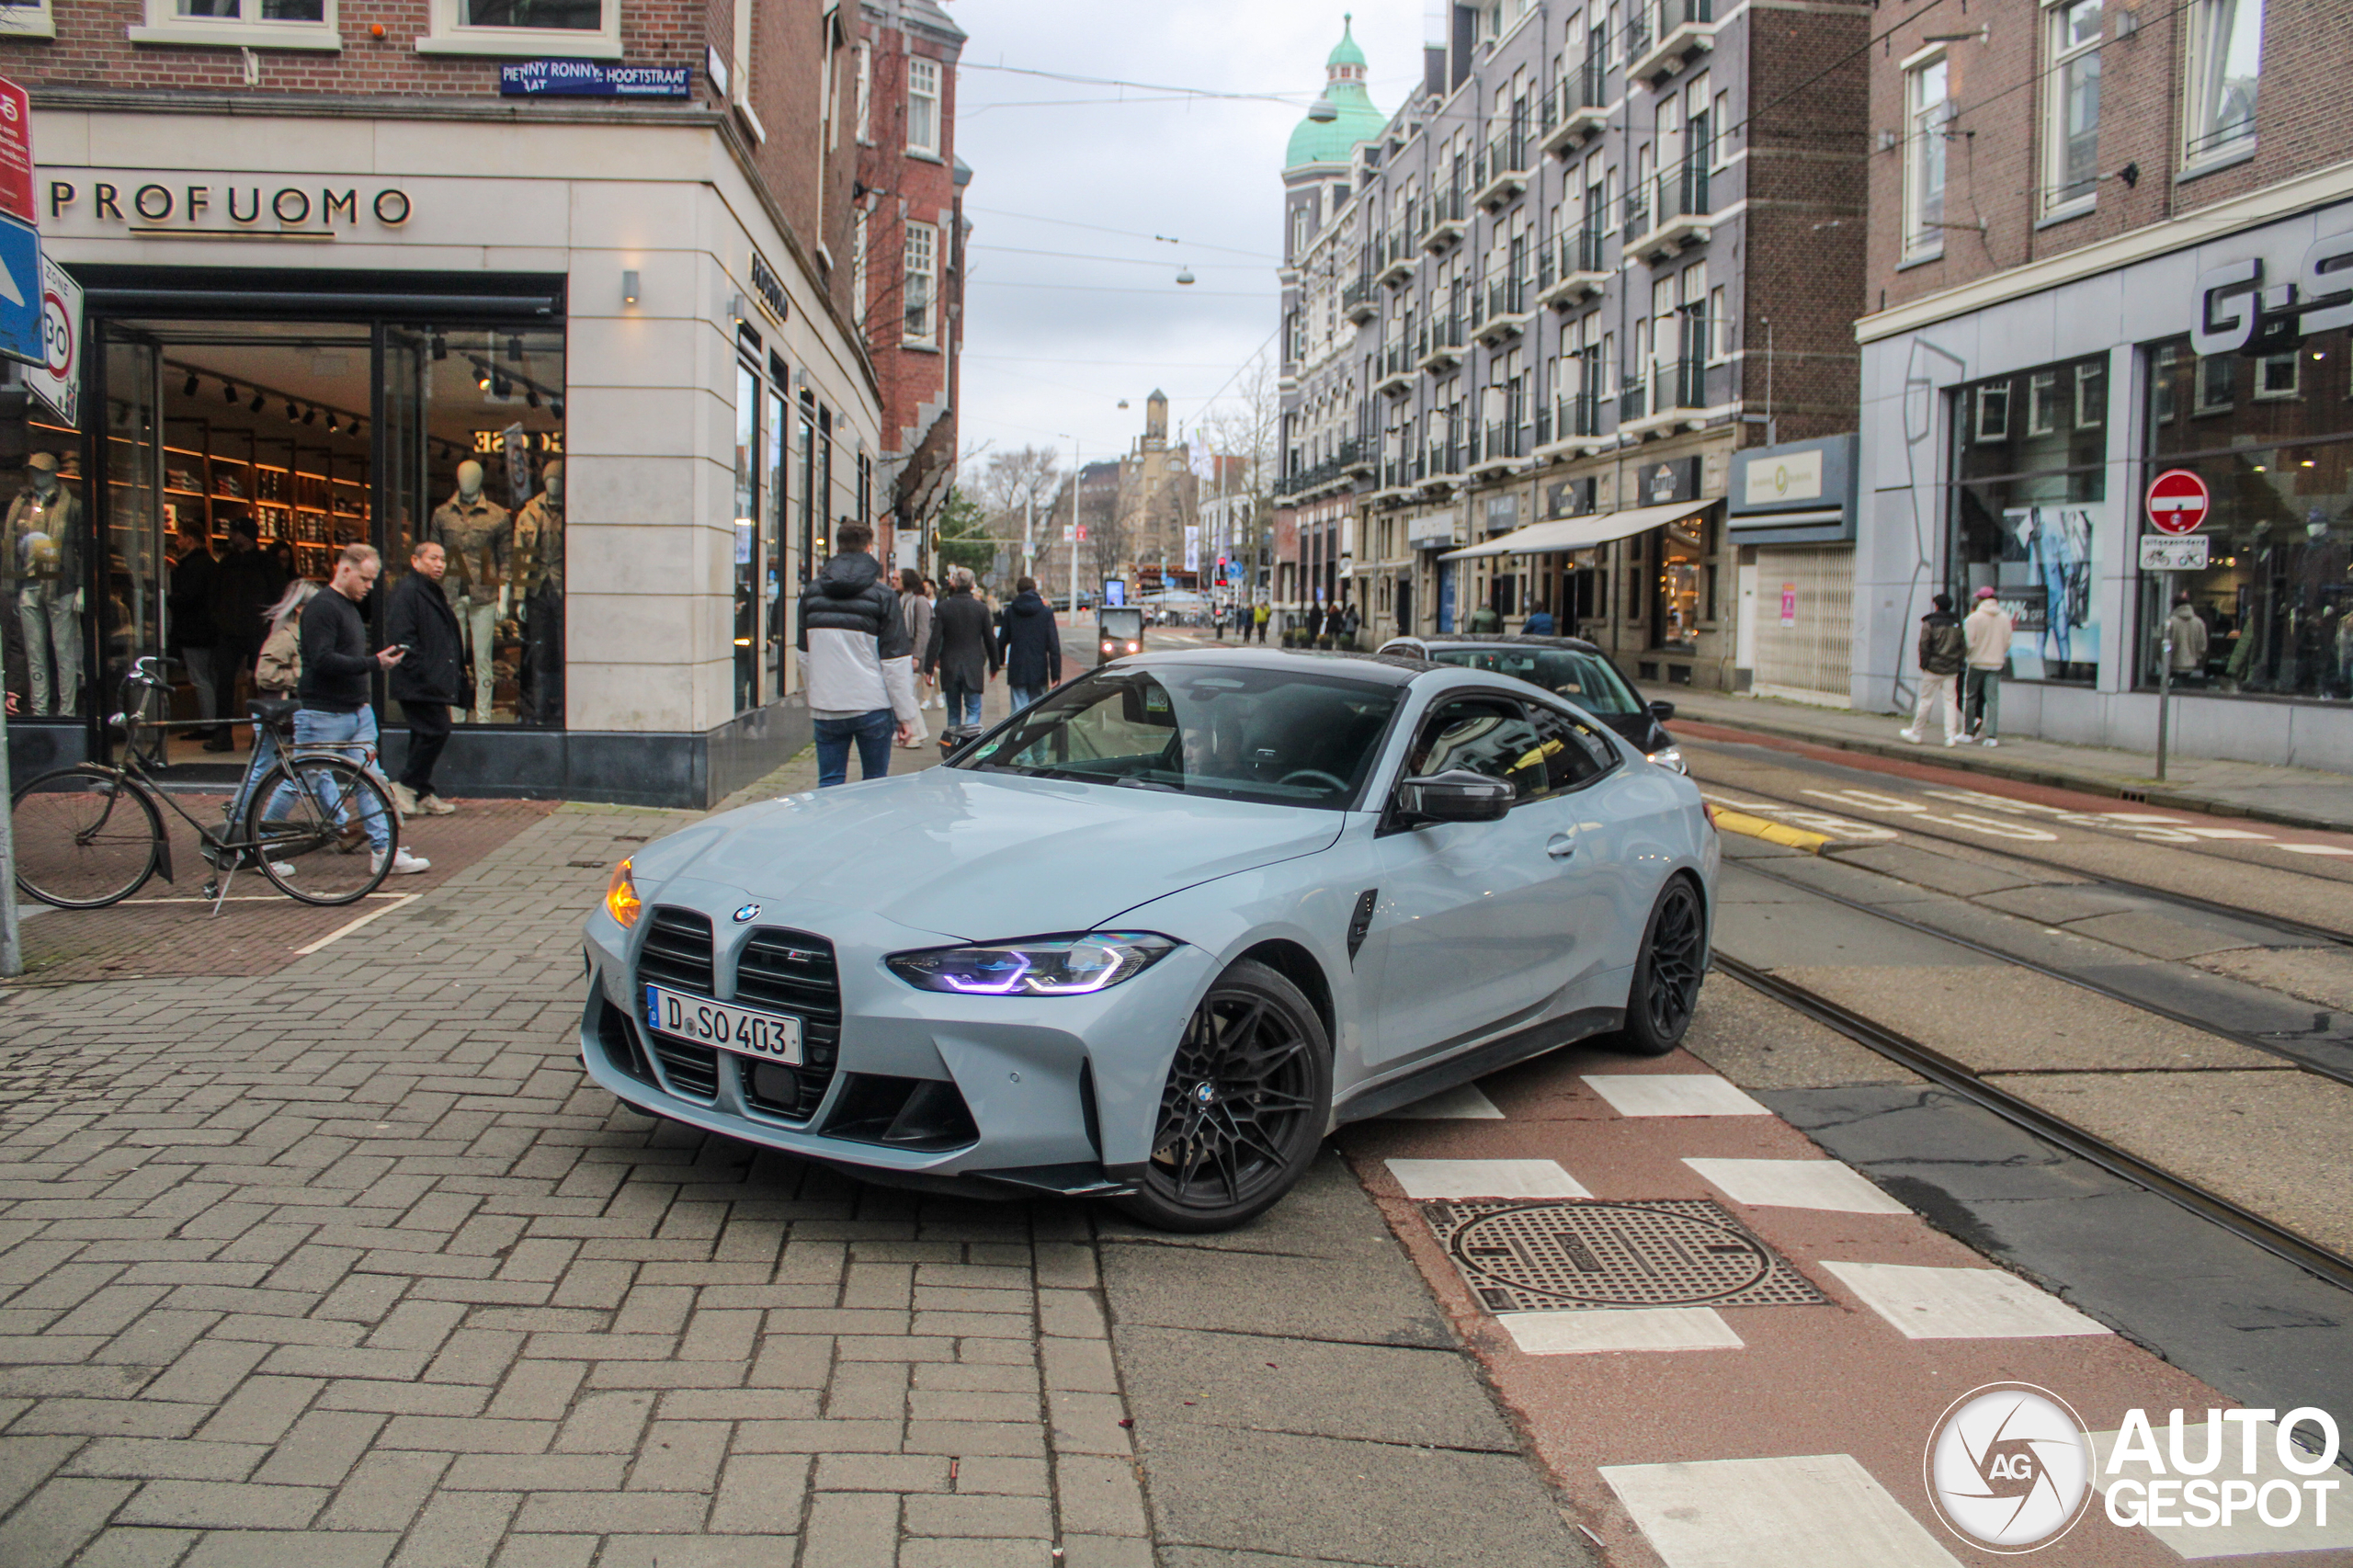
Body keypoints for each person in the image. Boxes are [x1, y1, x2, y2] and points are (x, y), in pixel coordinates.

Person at [265, 544, 429, 876]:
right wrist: (374, 663)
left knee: (371, 778)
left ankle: (384, 851)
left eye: (372, 581)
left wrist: (369, 676)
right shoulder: (322, 608)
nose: (369, 587)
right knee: (302, 780)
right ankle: (263, 846)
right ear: (345, 570)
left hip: (356, 711)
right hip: (323, 712)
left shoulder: (348, 607)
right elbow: (322, 659)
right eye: (366, 580)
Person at [795, 521, 916, 788]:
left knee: (830, 783)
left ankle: (829, 828)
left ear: (837, 547)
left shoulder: (811, 594)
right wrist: (906, 716)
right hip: (871, 705)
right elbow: (895, 663)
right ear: (870, 548)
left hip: (827, 706)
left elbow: (804, 655)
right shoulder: (883, 596)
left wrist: (816, 693)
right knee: (874, 785)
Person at [226, 577, 318, 836]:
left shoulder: (302, 635)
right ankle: (238, 819)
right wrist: (301, 675)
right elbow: (264, 674)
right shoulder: (286, 637)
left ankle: (239, 818)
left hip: (286, 713)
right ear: (300, 608)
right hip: (275, 713)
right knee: (264, 767)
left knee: (307, 767)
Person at [386, 540, 463, 816]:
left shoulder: (430, 590)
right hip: (417, 681)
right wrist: (423, 670)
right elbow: (402, 638)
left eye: (443, 559)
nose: (440, 564)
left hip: (428, 679)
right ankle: (405, 786)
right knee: (437, 729)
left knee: (424, 733)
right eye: (433, 558)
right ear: (415, 561)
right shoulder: (408, 591)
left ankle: (422, 791)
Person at [206, 517, 283, 751]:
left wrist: (267, 624)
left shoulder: (263, 563)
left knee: (261, 681)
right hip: (233, 630)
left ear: (244, 534)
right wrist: (219, 620)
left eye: (234, 531)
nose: (231, 535)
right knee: (225, 682)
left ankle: (259, 732)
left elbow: (278, 594)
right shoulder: (229, 563)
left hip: (255, 630)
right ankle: (224, 733)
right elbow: (214, 595)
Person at [166, 521, 222, 747]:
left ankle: (209, 724)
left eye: (180, 537)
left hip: (194, 630)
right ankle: (216, 722)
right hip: (210, 629)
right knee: (210, 677)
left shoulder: (192, 566)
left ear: (190, 539)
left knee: (200, 678)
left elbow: (189, 597)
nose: (177, 542)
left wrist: (166, 599)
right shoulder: (209, 563)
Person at [925, 567, 999, 731]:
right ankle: (969, 746)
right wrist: (995, 665)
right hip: (973, 664)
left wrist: (929, 667)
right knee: (973, 709)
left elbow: (935, 639)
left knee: (953, 711)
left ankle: (954, 748)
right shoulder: (981, 609)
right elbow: (990, 639)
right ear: (973, 585)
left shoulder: (944, 607)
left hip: (949, 664)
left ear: (955, 584)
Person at [1901, 591, 1967, 746]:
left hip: (1933, 668)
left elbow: (1924, 645)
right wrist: (1958, 662)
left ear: (1936, 606)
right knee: (1950, 701)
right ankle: (1950, 737)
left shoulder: (1930, 622)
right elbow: (1963, 647)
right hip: (1951, 669)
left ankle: (1916, 733)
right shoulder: (1957, 623)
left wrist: (1924, 664)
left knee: (1926, 701)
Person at [1000, 575, 1063, 713]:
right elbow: (1054, 646)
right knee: (1038, 713)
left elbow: (1002, 640)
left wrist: (999, 661)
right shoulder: (1046, 613)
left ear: (1018, 590)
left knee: (1018, 713)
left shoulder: (1010, 612)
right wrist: (1055, 674)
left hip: (1017, 668)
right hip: (1039, 669)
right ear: (1035, 589)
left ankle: (1018, 734)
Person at [1961, 586, 2014, 747]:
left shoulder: (1974, 618)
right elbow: (2008, 642)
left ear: (1979, 600)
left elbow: (1969, 643)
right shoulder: (2005, 617)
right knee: (1993, 700)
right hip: (1996, 664)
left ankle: (1969, 732)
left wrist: (1970, 655)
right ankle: (1991, 736)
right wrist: (1998, 653)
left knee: (1971, 697)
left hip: (1977, 663)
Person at [898, 568, 934, 748]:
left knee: (907, 695)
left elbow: (923, 631)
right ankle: (915, 733)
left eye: (897, 578)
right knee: (907, 694)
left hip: (913, 654)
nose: (893, 580)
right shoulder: (905, 600)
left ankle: (917, 733)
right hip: (904, 653)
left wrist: (917, 656)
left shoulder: (919, 602)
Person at [2166, 593, 2210, 687]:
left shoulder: (2170, 622)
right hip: (2192, 666)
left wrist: (2164, 658)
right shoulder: (2199, 622)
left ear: (2174, 606)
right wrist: (2197, 657)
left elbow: (2165, 644)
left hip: (2173, 665)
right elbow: (2203, 645)